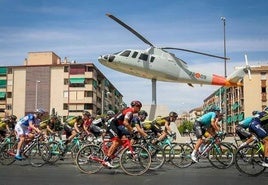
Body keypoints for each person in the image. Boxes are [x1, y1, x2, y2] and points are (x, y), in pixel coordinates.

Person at [103, 100, 142, 168]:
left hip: (118, 126)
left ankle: (113, 154)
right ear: (136, 106)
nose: (139, 109)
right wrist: (133, 131)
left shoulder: (131, 113)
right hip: (113, 125)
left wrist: (132, 133)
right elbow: (125, 123)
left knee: (122, 141)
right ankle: (106, 160)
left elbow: (127, 125)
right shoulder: (129, 112)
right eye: (139, 107)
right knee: (116, 142)